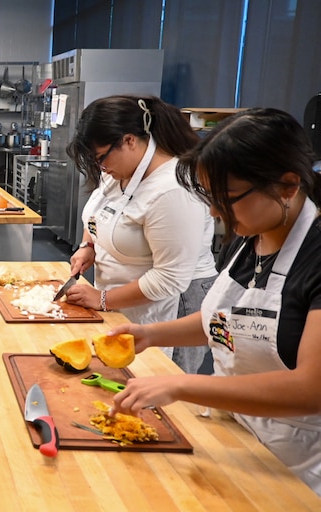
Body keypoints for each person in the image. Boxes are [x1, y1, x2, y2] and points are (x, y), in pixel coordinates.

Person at [109, 108, 321, 494]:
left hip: (297, 465)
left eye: (227, 198)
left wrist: (183, 385)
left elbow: (310, 387)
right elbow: (229, 320)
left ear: (287, 186)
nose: (213, 211)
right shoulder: (253, 233)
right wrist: (150, 334)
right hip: (237, 439)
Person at [65, 95, 217, 374]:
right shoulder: (121, 170)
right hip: (122, 298)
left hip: (172, 306)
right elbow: (99, 213)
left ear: (129, 141)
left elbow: (170, 279)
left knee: (162, 393)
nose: (100, 167)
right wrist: (89, 244)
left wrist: (102, 299)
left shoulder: (173, 191)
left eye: (101, 157)